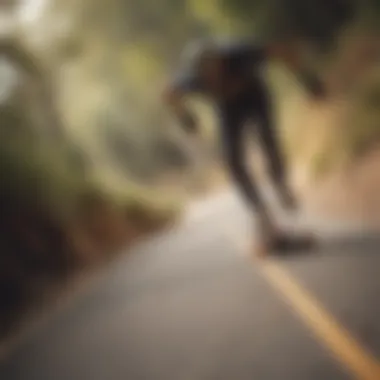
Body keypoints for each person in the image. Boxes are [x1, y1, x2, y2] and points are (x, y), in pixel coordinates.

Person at [162, 37, 325, 256]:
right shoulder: (193, 79)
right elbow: (168, 94)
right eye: (205, 74)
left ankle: (280, 183)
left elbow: (282, 50)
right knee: (233, 161)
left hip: (256, 96)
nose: (211, 76)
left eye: (214, 69)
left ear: (220, 61)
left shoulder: (239, 54)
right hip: (228, 109)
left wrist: (308, 79)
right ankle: (260, 213)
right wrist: (186, 119)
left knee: (268, 140)